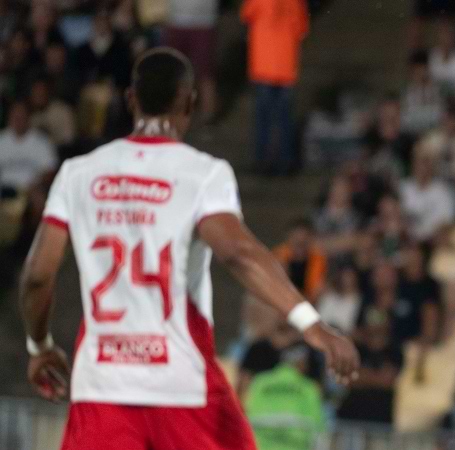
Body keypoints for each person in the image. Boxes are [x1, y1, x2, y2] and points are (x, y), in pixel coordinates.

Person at [18, 48, 358, 450]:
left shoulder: (78, 174)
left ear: (130, 100)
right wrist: (311, 324)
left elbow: (38, 275)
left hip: (102, 389)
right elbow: (240, 255)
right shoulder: (202, 175)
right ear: (190, 103)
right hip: (183, 387)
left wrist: (39, 346)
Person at [241, 0, 309, 176]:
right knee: (284, 119)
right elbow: (302, 28)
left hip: (263, 67)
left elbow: (246, 15)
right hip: (286, 67)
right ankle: (284, 162)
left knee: (263, 119)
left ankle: (262, 161)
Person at [242, 346, 324, 450]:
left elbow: (247, 414)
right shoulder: (308, 387)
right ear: (301, 362)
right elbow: (318, 424)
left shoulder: (260, 382)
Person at [0, 102, 57, 196]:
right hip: (4, 190)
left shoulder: (41, 141)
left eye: (21, 117)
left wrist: (36, 186)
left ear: (28, 118)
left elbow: (50, 171)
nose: (18, 120)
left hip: (31, 190)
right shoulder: (2, 140)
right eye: (15, 116)